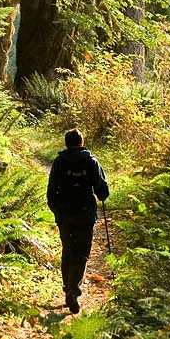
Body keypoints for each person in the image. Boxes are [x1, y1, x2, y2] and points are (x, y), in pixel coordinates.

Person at [46, 128, 109, 314]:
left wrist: (57, 211)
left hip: (65, 214)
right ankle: (73, 290)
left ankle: (68, 288)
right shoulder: (91, 162)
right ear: (81, 142)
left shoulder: (59, 162)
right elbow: (102, 191)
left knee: (68, 250)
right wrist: (101, 193)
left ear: (66, 144)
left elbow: (51, 192)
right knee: (82, 253)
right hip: (85, 214)